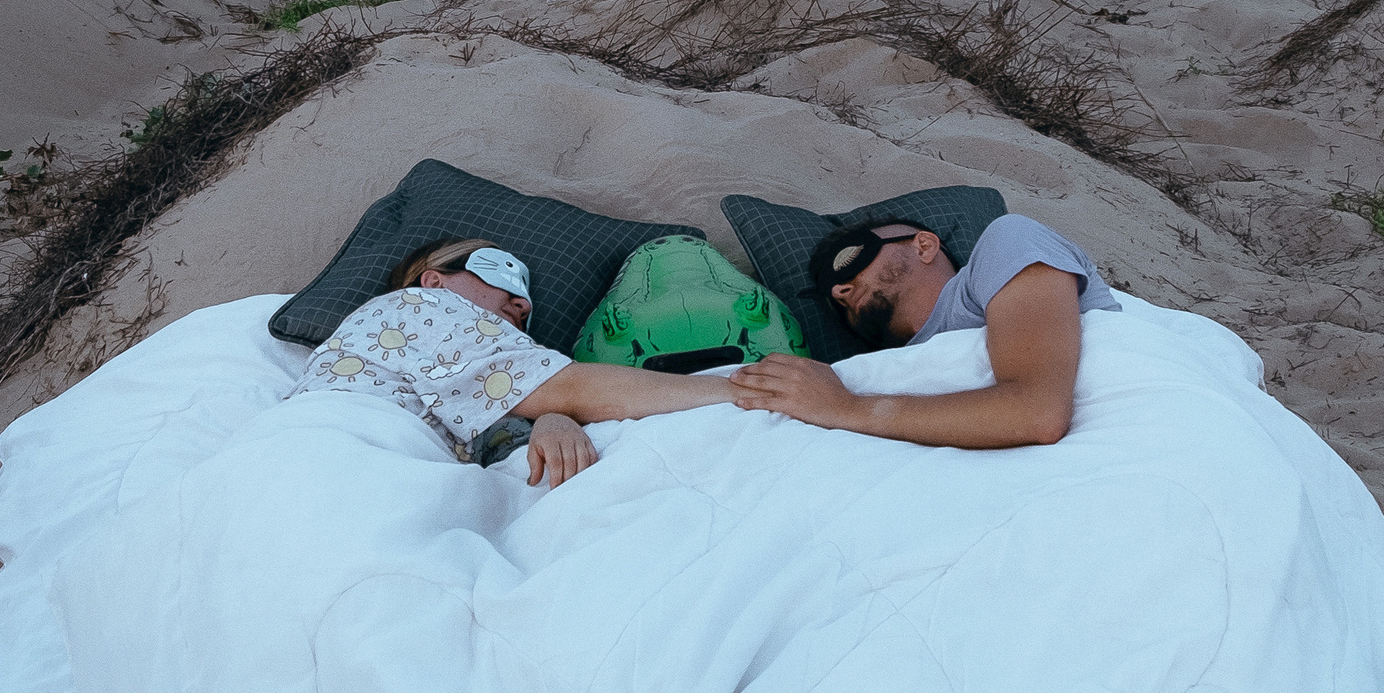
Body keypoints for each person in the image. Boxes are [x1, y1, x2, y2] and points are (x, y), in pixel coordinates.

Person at [299, 236, 734, 485]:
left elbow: (495, 427)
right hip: (335, 459)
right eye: (499, 274)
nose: (522, 303)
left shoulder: (449, 373)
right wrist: (739, 389)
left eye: (525, 295)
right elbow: (567, 387)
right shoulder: (417, 304)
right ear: (433, 280)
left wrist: (552, 419)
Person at [725, 216, 1117, 450]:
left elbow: (1038, 412)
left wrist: (844, 408)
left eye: (850, 261)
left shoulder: (1008, 241)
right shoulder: (881, 372)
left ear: (924, 246)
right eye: (833, 299)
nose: (839, 290)